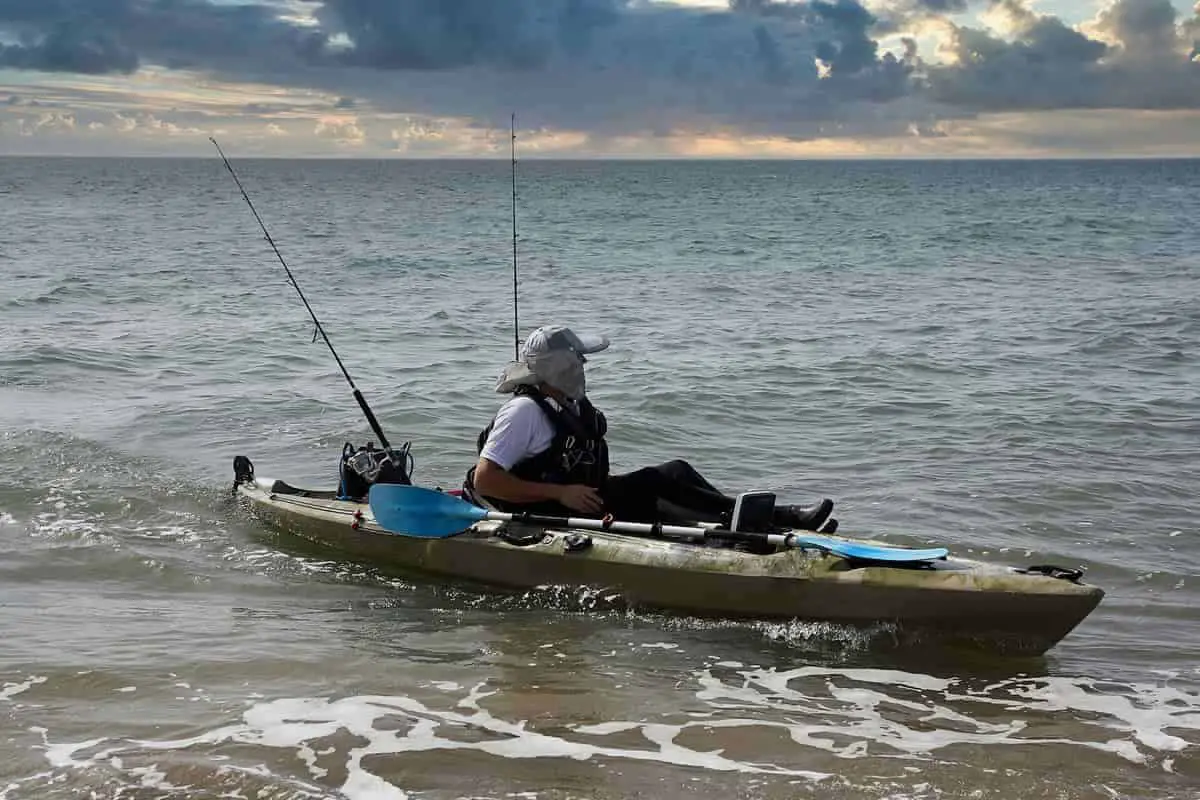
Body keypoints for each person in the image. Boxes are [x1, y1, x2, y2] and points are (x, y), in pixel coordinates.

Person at [462, 325, 837, 534]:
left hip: (581, 497)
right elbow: (486, 481)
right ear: (561, 366)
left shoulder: (570, 404)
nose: (584, 365)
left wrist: (578, 490)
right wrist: (560, 493)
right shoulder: (524, 411)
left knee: (674, 472)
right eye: (579, 359)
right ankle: (767, 522)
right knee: (661, 484)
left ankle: (755, 520)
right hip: (546, 507)